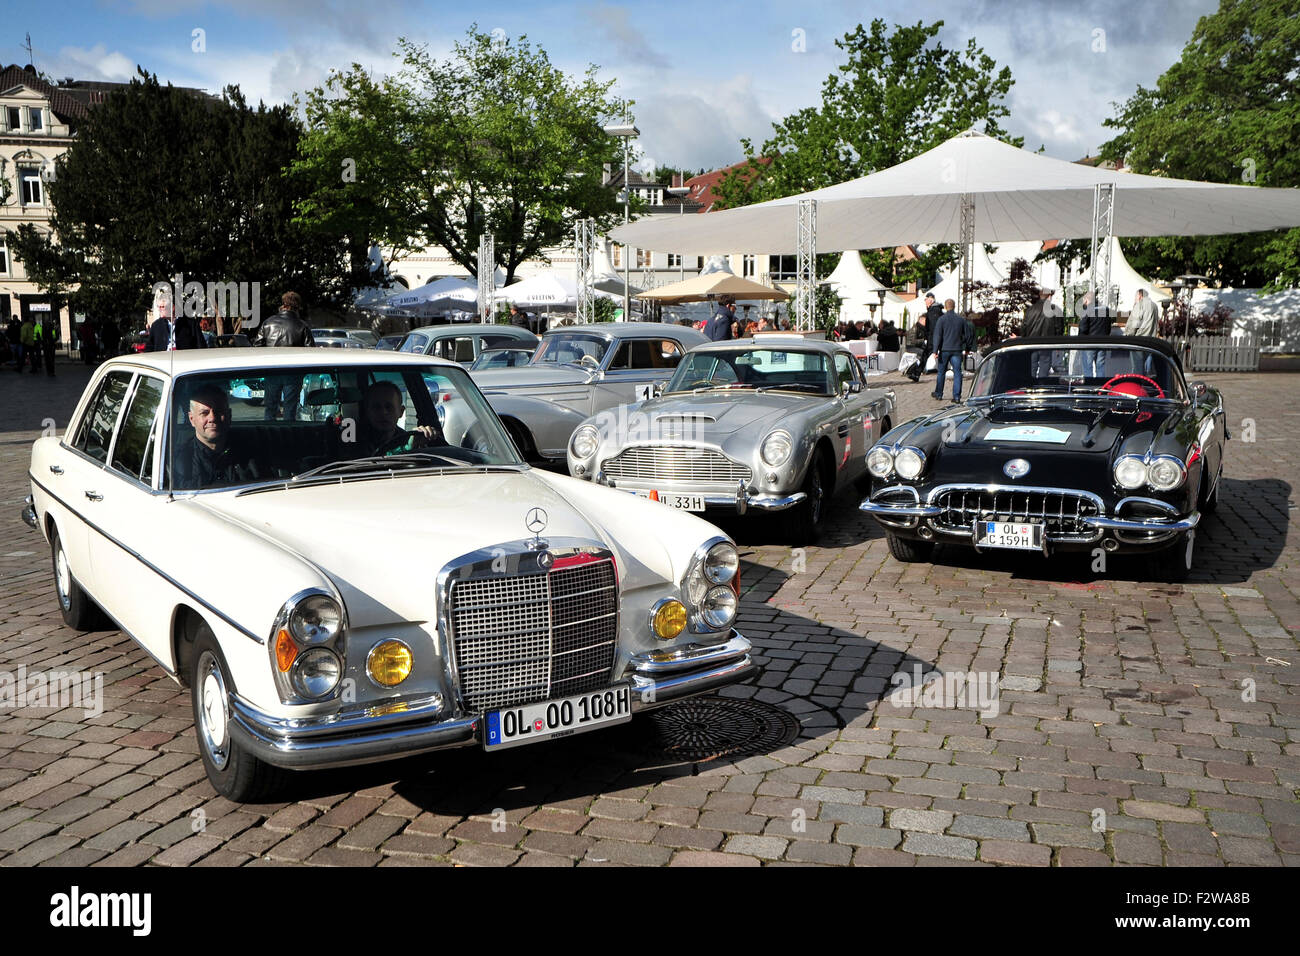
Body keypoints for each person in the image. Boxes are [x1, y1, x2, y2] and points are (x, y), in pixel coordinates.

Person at [171, 384, 263, 489]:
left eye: (219, 411)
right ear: (192, 419)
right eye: (204, 413)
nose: (212, 418)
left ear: (229, 416)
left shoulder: (254, 456)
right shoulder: (176, 463)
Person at [259, 292, 314, 420]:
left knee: (270, 408)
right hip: (293, 372)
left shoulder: (268, 323)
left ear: (283, 305)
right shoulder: (302, 326)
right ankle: (288, 437)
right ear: (297, 307)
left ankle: (269, 436)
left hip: (271, 371)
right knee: (290, 409)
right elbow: (311, 352)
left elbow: (257, 347)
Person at [346, 381, 439, 458]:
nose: (383, 412)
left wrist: (425, 438)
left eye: (389, 407)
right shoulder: (351, 440)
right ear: (367, 412)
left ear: (401, 412)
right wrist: (407, 449)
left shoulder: (409, 440)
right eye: (376, 407)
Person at [930, 299, 970, 402]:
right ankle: (956, 396)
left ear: (945, 307)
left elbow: (937, 336)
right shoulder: (960, 320)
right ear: (954, 306)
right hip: (957, 349)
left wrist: (935, 350)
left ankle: (939, 393)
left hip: (944, 349)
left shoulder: (941, 319)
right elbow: (968, 335)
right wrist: (966, 346)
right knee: (957, 373)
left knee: (941, 372)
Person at [1078, 291, 1112, 377]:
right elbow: (1108, 327)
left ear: (1086, 300)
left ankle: (1089, 386)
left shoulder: (1088, 310)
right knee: (1100, 366)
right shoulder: (1105, 309)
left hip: (1089, 342)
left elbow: (1083, 328)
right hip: (1103, 342)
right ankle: (1100, 386)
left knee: (1088, 366)